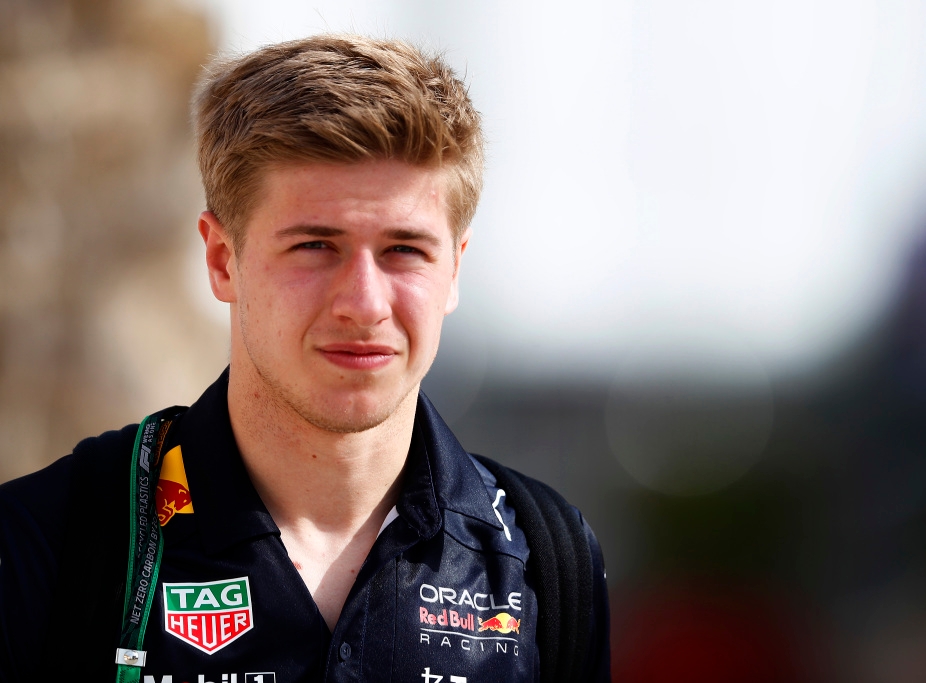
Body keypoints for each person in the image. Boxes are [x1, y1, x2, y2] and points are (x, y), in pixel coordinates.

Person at [0, 35, 610, 682]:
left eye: (405, 250)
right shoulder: (48, 541)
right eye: (316, 246)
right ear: (222, 260)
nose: (365, 304)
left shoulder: (547, 560)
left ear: (454, 270)